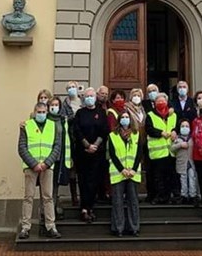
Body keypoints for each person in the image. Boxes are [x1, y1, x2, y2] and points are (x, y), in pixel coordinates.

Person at [17, 102, 62, 239]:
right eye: (39, 112)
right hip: (31, 167)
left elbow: (57, 147)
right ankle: (25, 227)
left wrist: (47, 163)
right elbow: (21, 147)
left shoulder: (53, 126)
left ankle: (51, 226)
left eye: (44, 112)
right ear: (34, 112)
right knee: (28, 197)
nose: (41, 114)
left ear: (47, 112)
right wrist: (34, 164)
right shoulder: (27, 126)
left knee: (48, 197)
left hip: (47, 167)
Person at [72, 87, 108, 223]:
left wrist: (95, 145)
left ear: (95, 97)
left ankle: (90, 207)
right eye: (87, 96)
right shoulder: (80, 113)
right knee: (83, 180)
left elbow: (104, 130)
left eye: (92, 96)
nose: (89, 98)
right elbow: (77, 130)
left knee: (94, 181)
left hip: (97, 153)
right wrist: (87, 145)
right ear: (84, 98)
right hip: (82, 153)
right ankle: (84, 208)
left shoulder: (101, 112)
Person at [108, 109, 142, 237]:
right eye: (123, 117)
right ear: (119, 120)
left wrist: (133, 169)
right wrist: (122, 169)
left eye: (127, 117)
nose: (125, 119)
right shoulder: (112, 135)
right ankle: (119, 228)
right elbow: (112, 154)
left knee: (133, 201)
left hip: (133, 173)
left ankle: (134, 227)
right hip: (118, 173)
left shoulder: (136, 134)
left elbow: (139, 153)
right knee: (118, 201)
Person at [144, 92, 177, 204]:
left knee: (169, 177)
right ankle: (159, 197)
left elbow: (177, 126)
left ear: (167, 102)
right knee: (157, 177)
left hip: (171, 152)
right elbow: (149, 129)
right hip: (157, 153)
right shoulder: (150, 115)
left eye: (163, 101)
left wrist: (174, 131)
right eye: (158, 101)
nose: (161, 103)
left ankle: (167, 197)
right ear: (154, 103)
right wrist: (160, 133)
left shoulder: (173, 115)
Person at [47, 96, 73, 219]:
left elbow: (68, 137)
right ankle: (46, 212)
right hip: (46, 158)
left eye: (56, 104)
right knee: (46, 187)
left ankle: (53, 210)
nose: (54, 107)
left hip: (60, 158)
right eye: (52, 104)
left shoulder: (63, 121)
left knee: (56, 185)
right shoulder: (44, 119)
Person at [59, 82, 81, 206]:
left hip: (82, 138)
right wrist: (74, 116)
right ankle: (74, 196)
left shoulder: (83, 101)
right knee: (72, 168)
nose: (72, 89)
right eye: (69, 88)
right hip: (71, 138)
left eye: (73, 87)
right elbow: (63, 119)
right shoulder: (65, 104)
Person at [170, 118, 198, 205]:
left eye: (186, 126)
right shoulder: (177, 139)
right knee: (183, 179)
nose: (184, 128)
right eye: (182, 126)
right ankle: (184, 195)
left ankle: (193, 195)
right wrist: (180, 145)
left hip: (191, 162)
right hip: (181, 163)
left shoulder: (192, 138)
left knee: (192, 178)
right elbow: (172, 148)